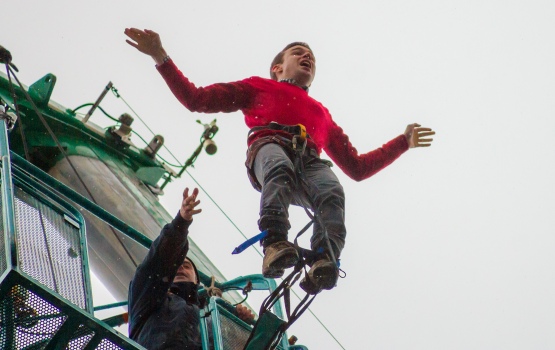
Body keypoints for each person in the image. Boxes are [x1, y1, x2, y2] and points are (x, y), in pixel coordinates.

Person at [124, 28, 435, 295]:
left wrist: (402, 142)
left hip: (310, 161)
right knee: (280, 169)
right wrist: (160, 56)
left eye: (311, 56)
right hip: (269, 145)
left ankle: (324, 260)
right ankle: (274, 242)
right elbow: (196, 98)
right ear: (277, 67)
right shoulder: (259, 86)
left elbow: (358, 168)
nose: (307, 57)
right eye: (298, 52)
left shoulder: (322, 115)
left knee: (332, 191)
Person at [128, 187, 254, 349]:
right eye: (177, 264)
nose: (180, 267)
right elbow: (159, 261)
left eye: (186, 266)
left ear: (197, 279)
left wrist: (239, 322)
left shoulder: (209, 318)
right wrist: (181, 222)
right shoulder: (147, 298)